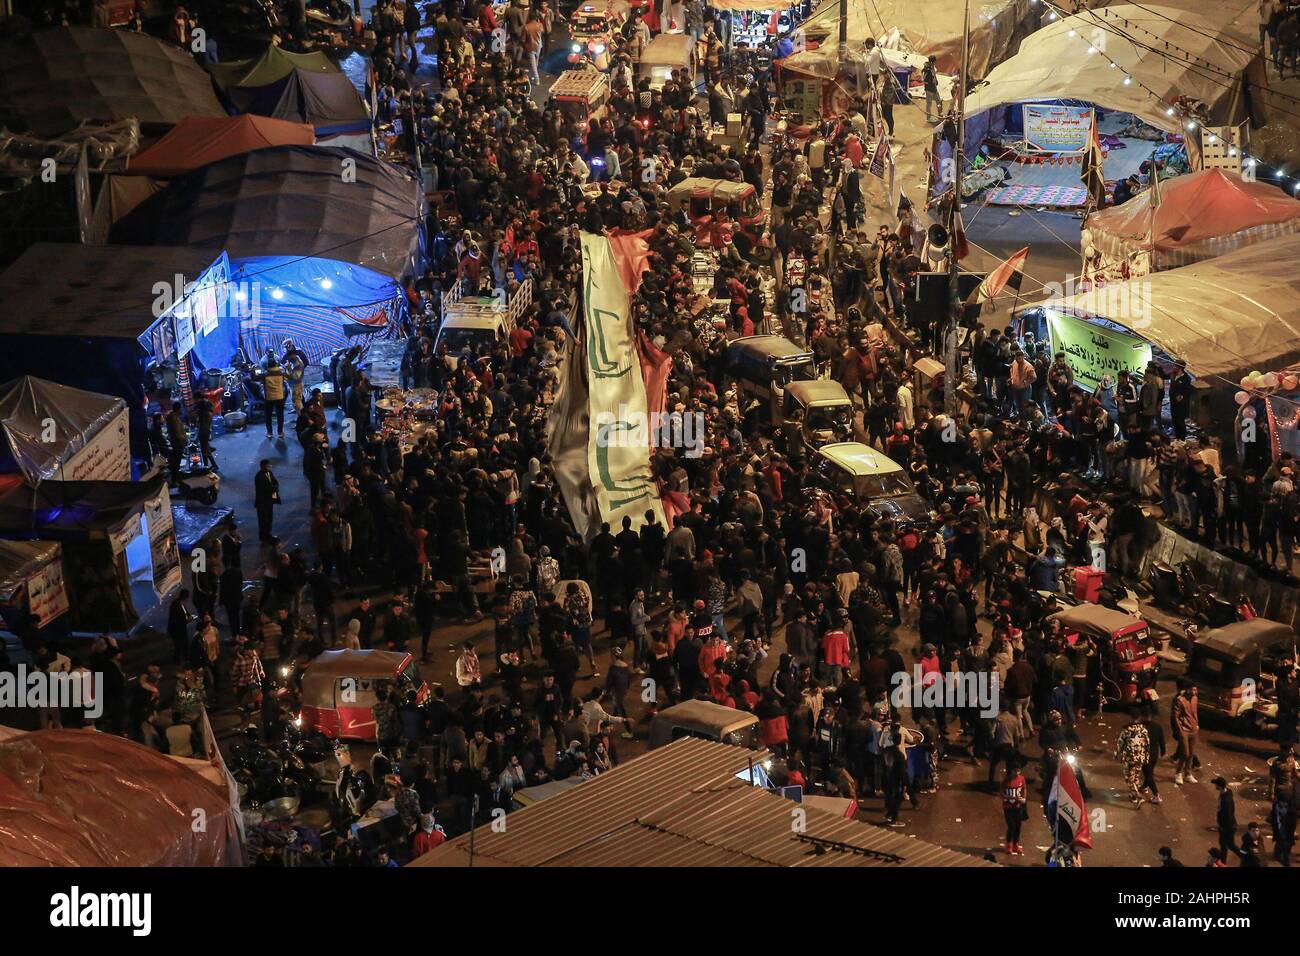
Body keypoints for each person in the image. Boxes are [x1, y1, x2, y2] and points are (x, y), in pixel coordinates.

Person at [1171, 680, 1199, 785]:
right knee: (1185, 753)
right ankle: (1178, 773)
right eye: (1193, 689)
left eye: (1196, 689)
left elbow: (1195, 713)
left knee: (1191, 753)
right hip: (1184, 731)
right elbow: (1175, 717)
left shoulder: (1195, 699)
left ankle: (1187, 774)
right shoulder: (1180, 700)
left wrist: (1197, 725)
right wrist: (1180, 729)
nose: (1195, 692)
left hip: (1194, 730)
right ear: (1188, 689)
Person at [1001, 759, 1027, 856]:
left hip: (1018, 806)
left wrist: (1024, 798)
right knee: (1011, 826)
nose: (1017, 773)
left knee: (1018, 826)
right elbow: (1002, 794)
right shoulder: (1006, 780)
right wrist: (1013, 797)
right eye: (1015, 770)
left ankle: (1016, 843)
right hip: (1008, 807)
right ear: (1011, 770)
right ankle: (1009, 844)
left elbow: (1024, 788)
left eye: (1018, 771)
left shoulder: (1022, 779)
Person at [254, 459, 280, 542]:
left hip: (269, 501)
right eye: (266, 466)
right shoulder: (259, 477)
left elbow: (275, 481)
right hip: (262, 502)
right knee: (263, 520)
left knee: (269, 518)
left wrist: (275, 487)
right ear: (262, 466)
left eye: (268, 466)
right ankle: (263, 537)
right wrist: (274, 488)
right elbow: (264, 488)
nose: (268, 467)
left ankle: (268, 534)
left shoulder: (270, 473)